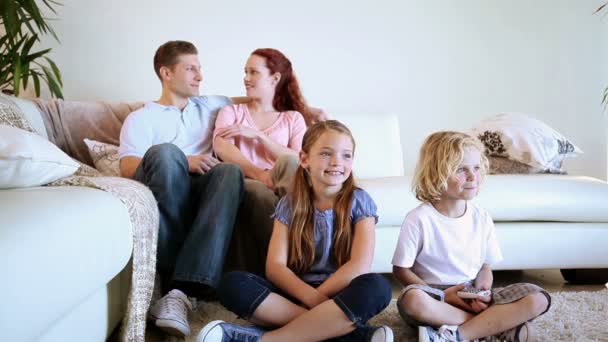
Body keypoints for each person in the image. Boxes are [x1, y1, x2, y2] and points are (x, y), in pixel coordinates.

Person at [198, 120, 394, 342]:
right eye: (326, 153)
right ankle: (348, 334)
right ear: (304, 159)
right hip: (296, 292)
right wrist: (312, 300)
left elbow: (358, 265)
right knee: (232, 284)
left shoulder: (360, 201)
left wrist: (319, 297)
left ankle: (268, 339)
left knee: (378, 287)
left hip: (341, 294)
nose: (337, 162)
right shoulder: (290, 204)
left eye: (346, 155)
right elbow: (275, 268)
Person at [118, 40, 244, 337]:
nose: (199, 76)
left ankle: (180, 291)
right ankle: (177, 286)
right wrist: (184, 160)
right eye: (190, 69)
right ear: (166, 73)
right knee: (165, 152)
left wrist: (304, 108)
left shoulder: (213, 105)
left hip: (205, 191)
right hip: (165, 183)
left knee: (229, 170)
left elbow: (255, 100)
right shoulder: (141, 117)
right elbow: (126, 167)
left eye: (200, 69)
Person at [391, 131, 551, 342]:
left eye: (476, 168)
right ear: (435, 173)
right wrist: (442, 295)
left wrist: (483, 288)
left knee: (538, 298)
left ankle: (457, 334)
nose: (472, 176)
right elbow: (401, 270)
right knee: (413, 300)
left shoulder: (482, 217)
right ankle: (492, 327)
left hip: (471, 291)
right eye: (461, 169)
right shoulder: (418, 219)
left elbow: (485, 266)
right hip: (434, 295)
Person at [213, 48, 310, 196]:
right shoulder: (231, 112)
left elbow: (298, 159)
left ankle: (294, 215)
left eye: (254, 72)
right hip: (245, 182)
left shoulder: (293, 118)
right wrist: (260, 175)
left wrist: (260, 136)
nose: (246, 78)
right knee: (260, 192)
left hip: (284, 184)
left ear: (275, 78)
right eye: (245, 72)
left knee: (291, 165)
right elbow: (221, 146)